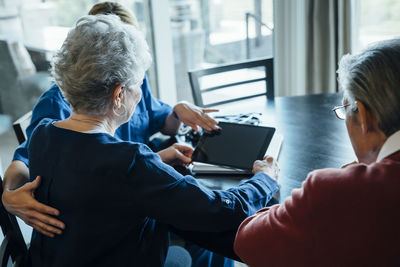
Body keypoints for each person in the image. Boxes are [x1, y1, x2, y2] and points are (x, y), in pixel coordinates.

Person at [24, 14, 279, 266]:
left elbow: (95, 181)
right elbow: (225, 211)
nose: (140, 93)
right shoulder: (130, 162)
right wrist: (264, 179)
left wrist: (154, 163)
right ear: (119, 95)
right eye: (138, 84)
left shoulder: (43, 135)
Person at [233, 38, 400, 266]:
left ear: (363, 117)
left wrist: (318, 196)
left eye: (345, 109)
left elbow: (247, 243)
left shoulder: (336, 191)